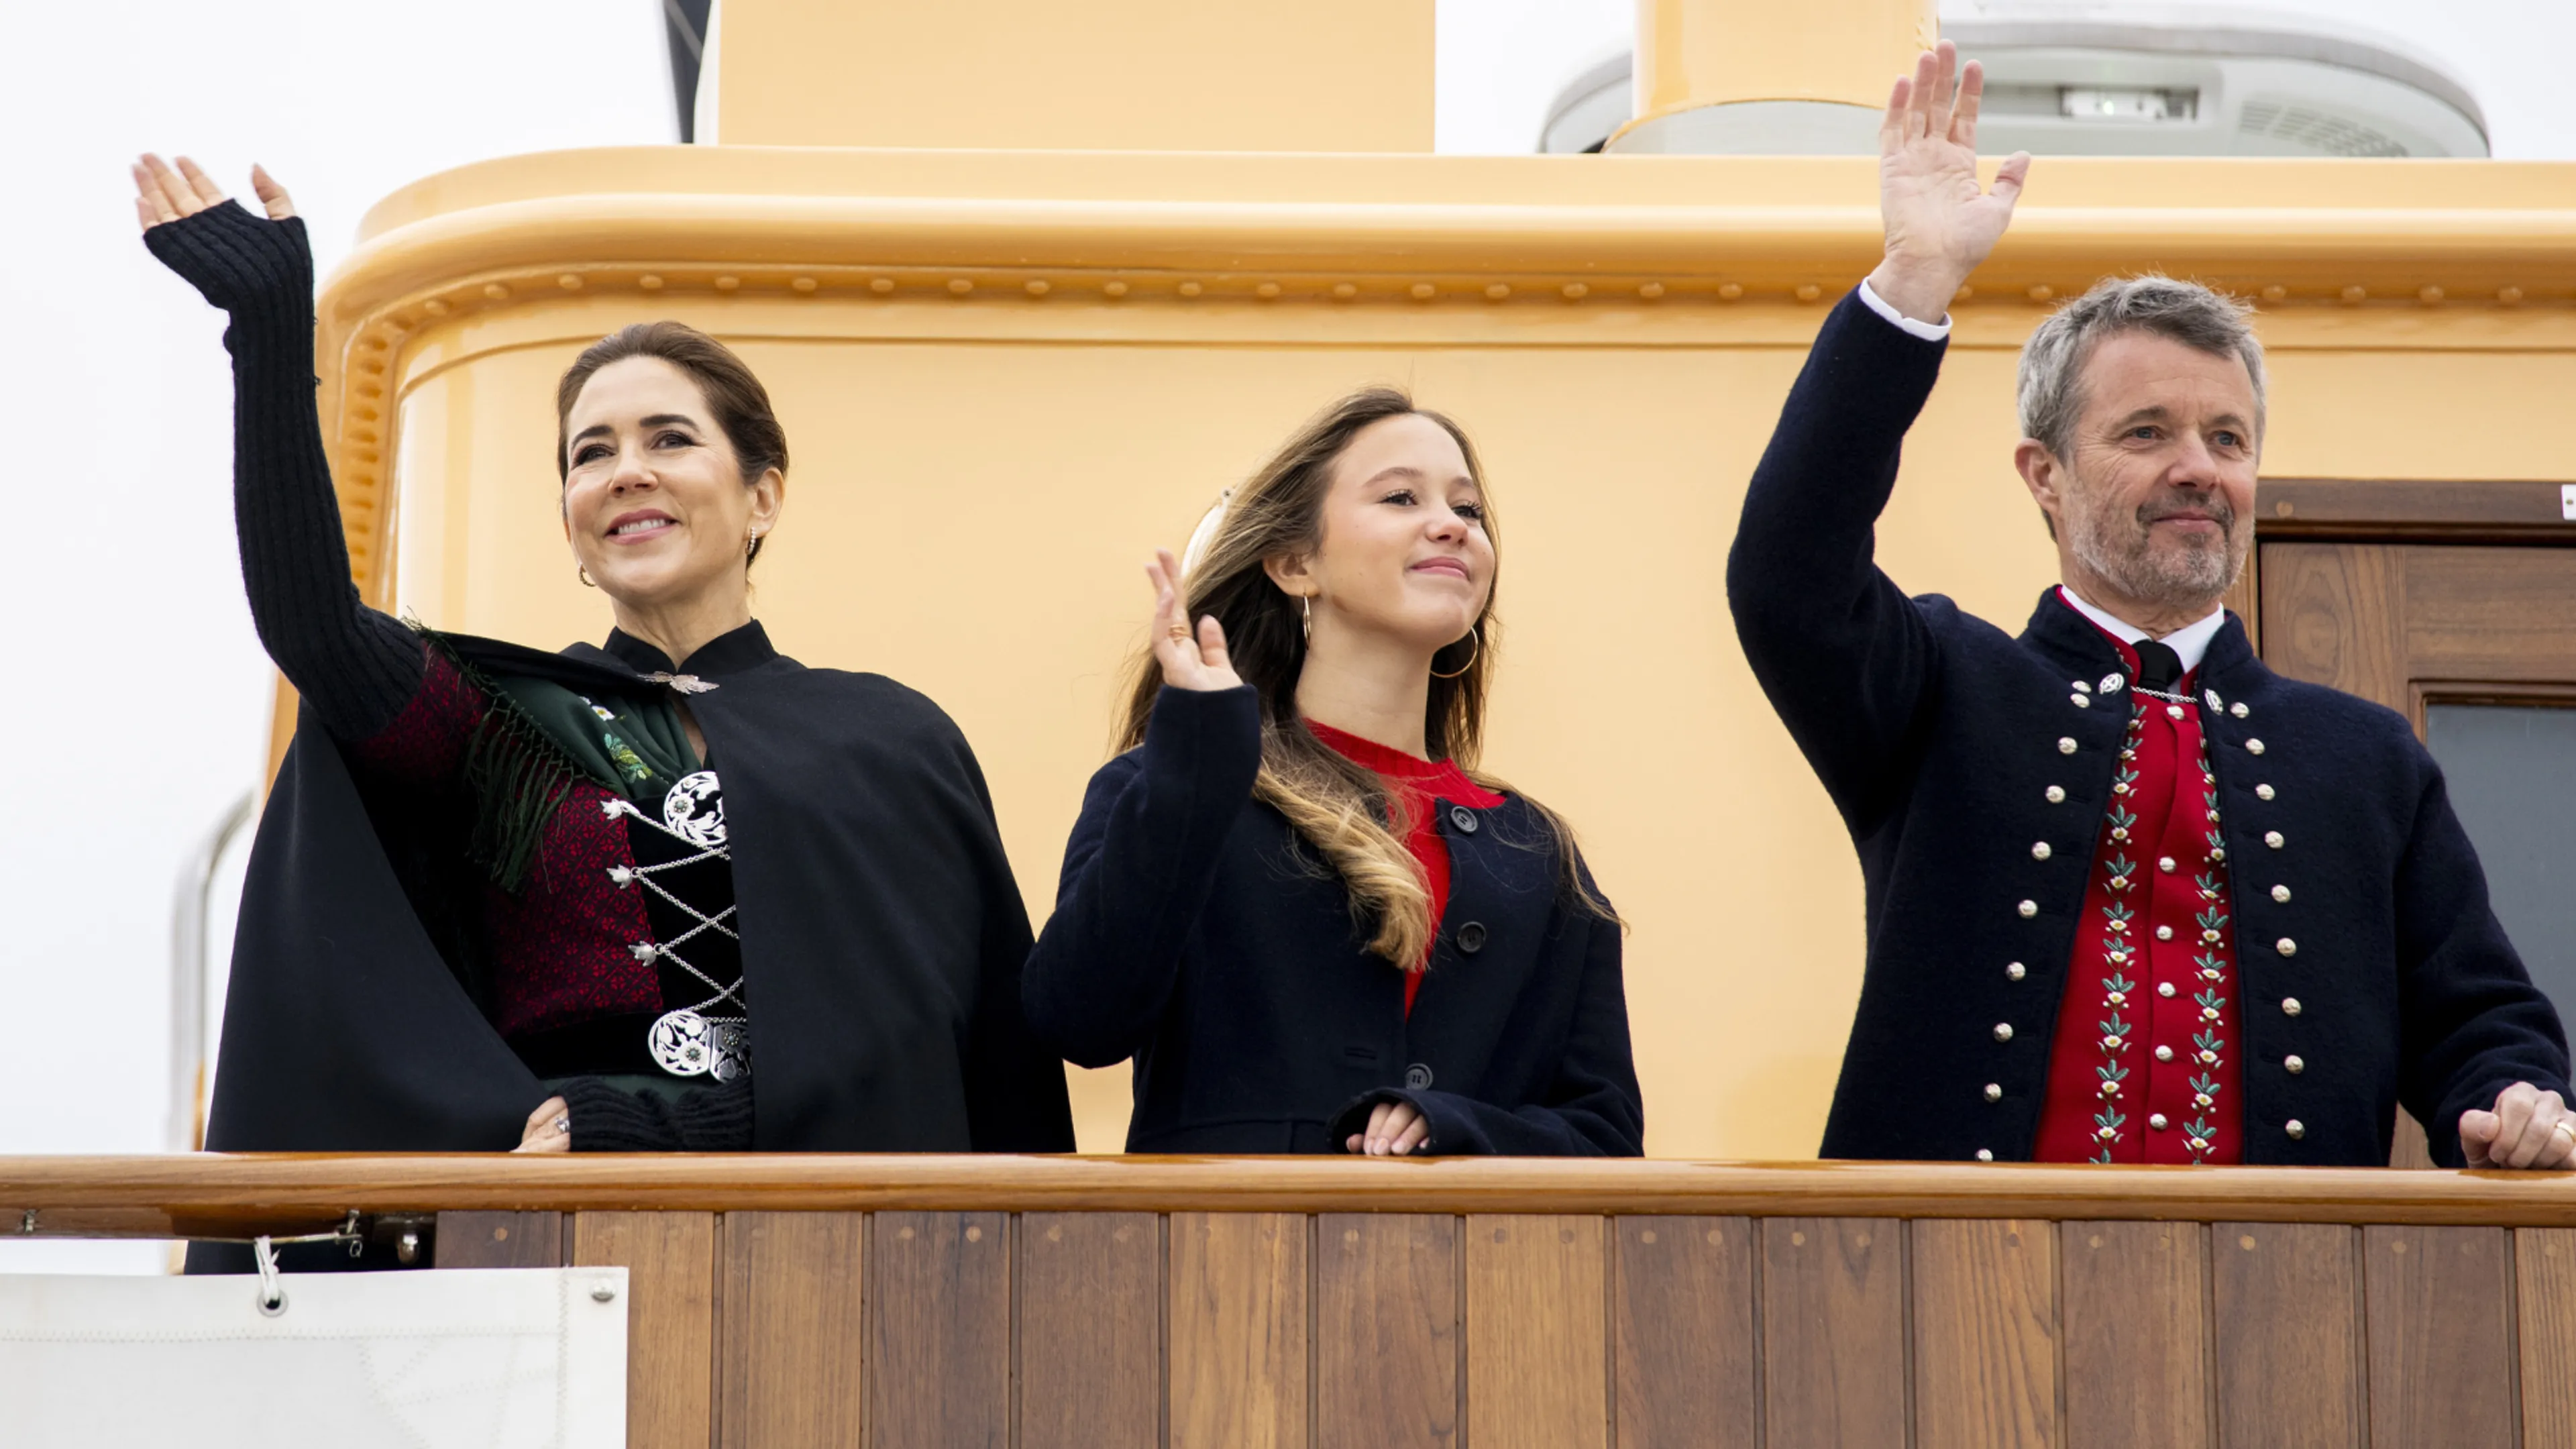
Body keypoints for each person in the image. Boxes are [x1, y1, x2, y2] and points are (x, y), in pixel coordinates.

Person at [134, 156, 1072, 1267]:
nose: (628, 471)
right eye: (593, 454)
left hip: (833, 1261)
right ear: (572, 517)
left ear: (761, 493)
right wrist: (268, 329)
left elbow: (938, 1057)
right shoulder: (506, 727)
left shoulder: (889, 740)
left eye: (670, 439)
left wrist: (670, 1127)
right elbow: (316, 632)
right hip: (554, 1248)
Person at [1727, 44, 2573, 1170]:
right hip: (1964, 1304)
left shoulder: (2367, 760)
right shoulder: (1939, 688)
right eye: (2145, 433)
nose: (2198, 468)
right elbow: (1786, 571)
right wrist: (1911, 291)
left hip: (2289, 1312)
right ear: (2045, 476)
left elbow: (2479, 1018)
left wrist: (2514, 1096)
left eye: (2227, 439)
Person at [1022, 388, 1641, 1157]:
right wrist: (1198, 763)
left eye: (1470, 510)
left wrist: (1459, 1129)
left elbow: (1605, 1137)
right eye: (1400, 497)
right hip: (1225, 1262)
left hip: (1482, 1271)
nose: (1451, 524)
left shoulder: (1539, 852)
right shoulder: (1176, 788)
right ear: (1294, 563)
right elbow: (1078, 1019)